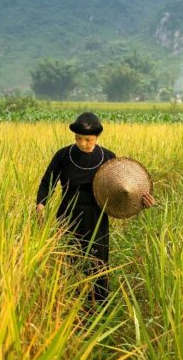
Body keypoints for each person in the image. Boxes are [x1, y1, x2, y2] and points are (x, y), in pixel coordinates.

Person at [36, 111, 154, 310]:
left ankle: (99, 307)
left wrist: (143, 199)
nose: (83, 144)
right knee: (68, 259)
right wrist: (41, 203)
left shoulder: (108, 158)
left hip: (96, 217)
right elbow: (48, 180)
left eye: (88, 140)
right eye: (79, 139)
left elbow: (125, 187)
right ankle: (69, 306)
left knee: (97, 261)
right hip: (68, 215)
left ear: (97, 137)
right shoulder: (64, 155)